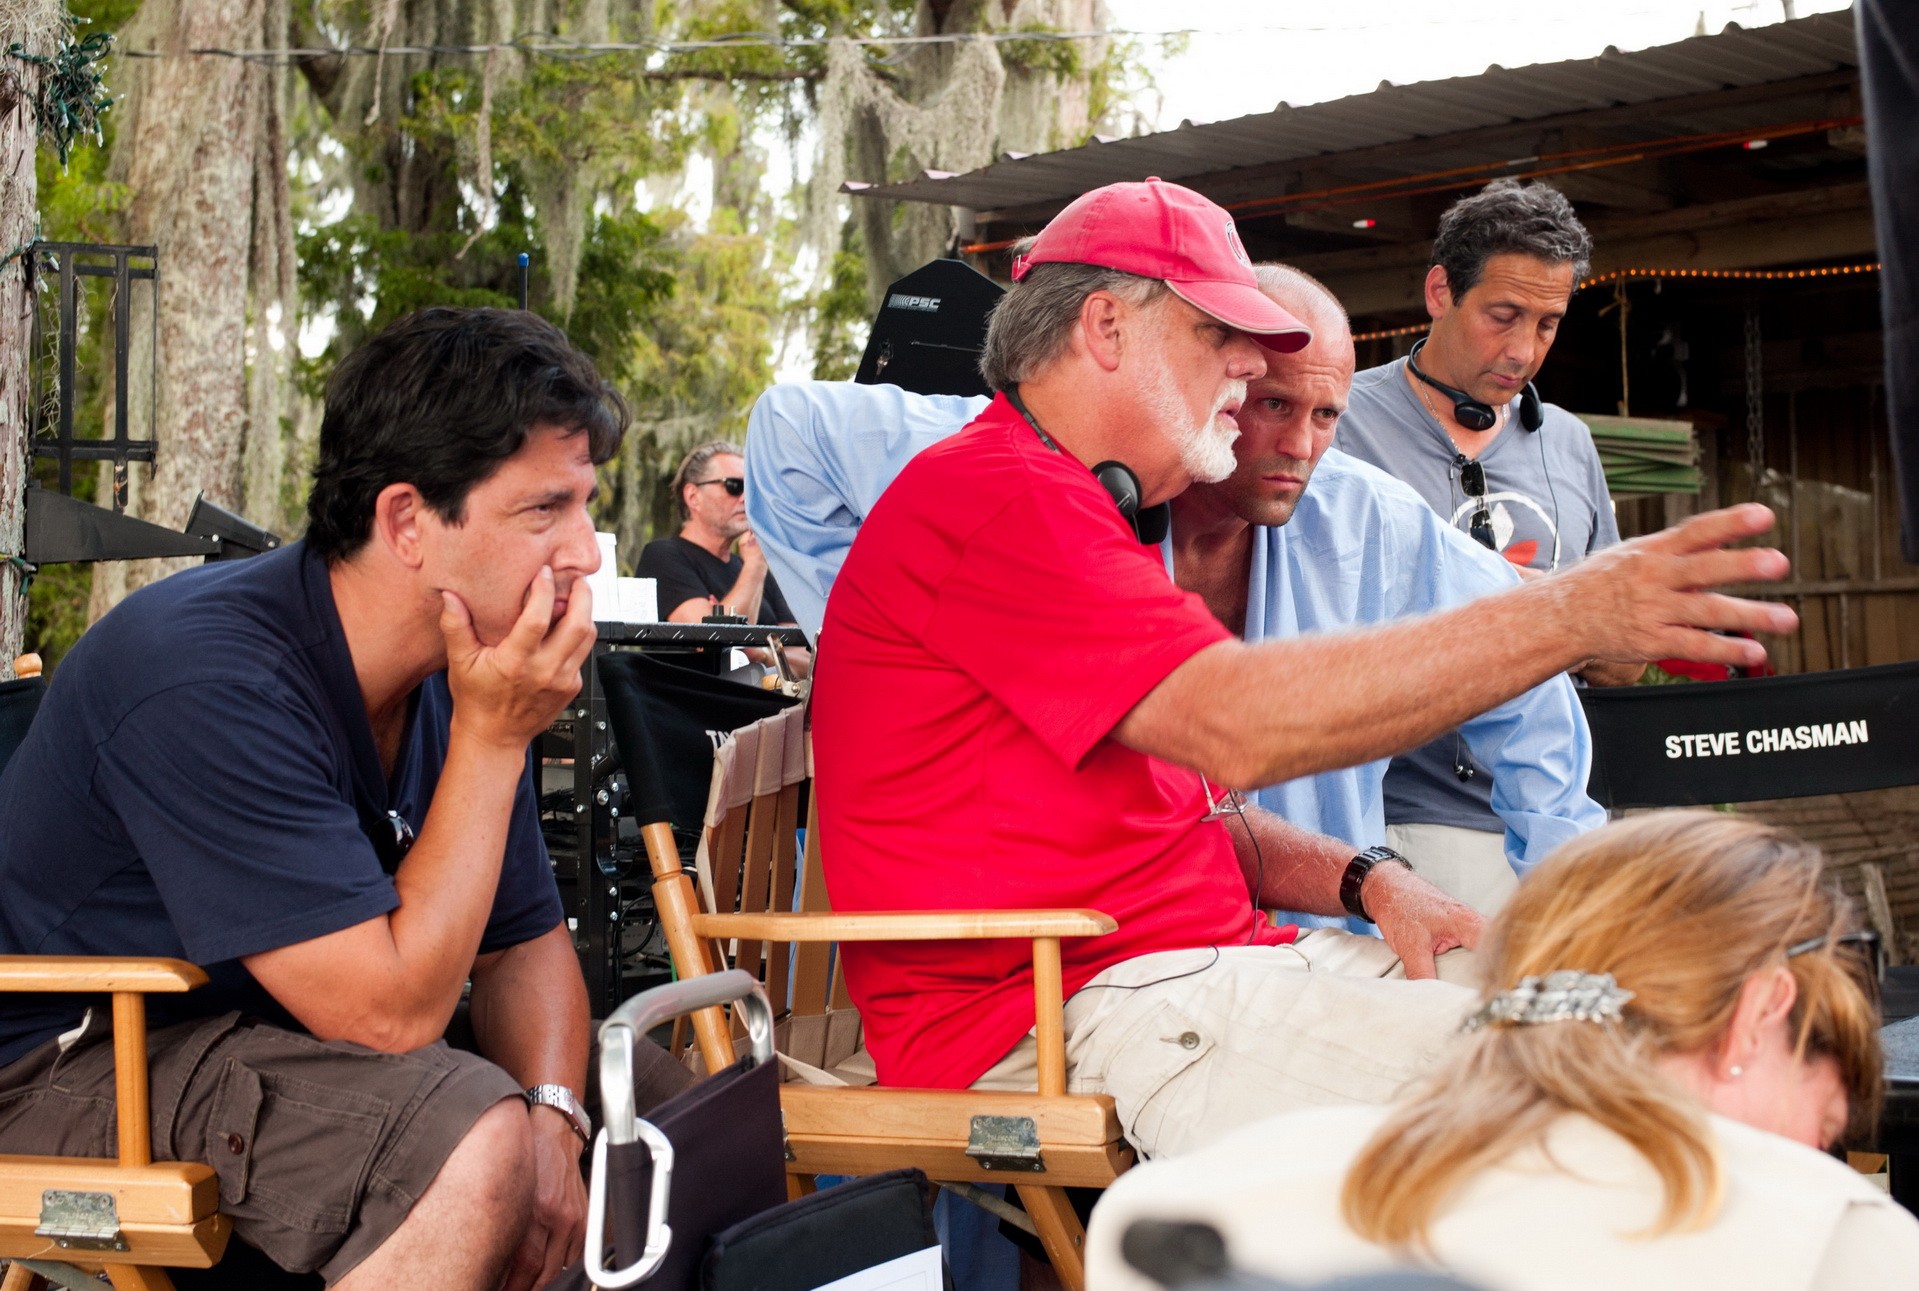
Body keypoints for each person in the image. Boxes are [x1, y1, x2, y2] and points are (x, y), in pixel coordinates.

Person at [810, 176, 1796, 1161]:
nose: (1244, 367)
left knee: (1635, 1025)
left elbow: (1206, 809)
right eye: (1215, 336)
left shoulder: (1071, 506)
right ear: (1103, 328)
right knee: (1596, 1101)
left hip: (1203, 971)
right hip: (1070, 1011)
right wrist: (1567, 611)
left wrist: (1373, 878)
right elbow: (1239, 729)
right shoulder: (1001, 503)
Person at [0, 308, 616, 1290]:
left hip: (259, 1043)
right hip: (68, 1063)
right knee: (469, 1150)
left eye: (584, 505)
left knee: (634, 1107)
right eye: (543, 511)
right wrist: (498, 739)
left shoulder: (457, 670)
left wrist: (557, 1116)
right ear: (407, 521)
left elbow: (524, 942)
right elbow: (388, 1014)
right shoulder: (206, 674)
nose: (584, 552)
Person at [745, 269, 1604, 922]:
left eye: (1327, 415)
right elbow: (789, 432)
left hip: (1307, 935)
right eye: (1270, 403)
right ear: (1217, 377)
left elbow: (1524, 676)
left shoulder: (1366, 517)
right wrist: (904, 645)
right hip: (1104, 964)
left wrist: (1564, 902)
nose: (1300, 445)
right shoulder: (1029, 471)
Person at [1086, 811, 1919, 1291]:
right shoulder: (1833, 1237)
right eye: (1824, 1124)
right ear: (1761, 1013)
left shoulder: (1184, 1207)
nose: (1815, 1155)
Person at [1338, 178, 1643, 907]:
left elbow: (1624, 661)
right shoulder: (1338, 424)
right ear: (1439, 290)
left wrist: (1553, 614)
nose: (1522, 350)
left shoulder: (1568, 442)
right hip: (1386, 823)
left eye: (1546, 323)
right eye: (1502, 315)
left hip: (1546, 828)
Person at [638, 439, 797, 627]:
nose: (746, 499)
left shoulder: (755, 566)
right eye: (734, 486)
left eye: (751, 489)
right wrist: (754, 567)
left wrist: (763, 652)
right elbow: (711, 641)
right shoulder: (663, 556)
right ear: (693, 497)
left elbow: (806, 652)